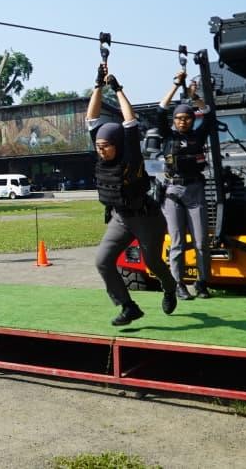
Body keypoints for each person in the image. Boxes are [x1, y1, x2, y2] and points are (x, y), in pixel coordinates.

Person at [87, 65, 178, 326]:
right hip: (120, 217)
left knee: (153, 264)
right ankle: (128, 307)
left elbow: (130, 121)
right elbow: (91, 119)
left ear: (117, 145)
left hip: (146, 217)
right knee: (103, 262)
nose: (101, 151)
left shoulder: (130, 154)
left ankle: (169, 286)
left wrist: (117, 90)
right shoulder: (102, 148)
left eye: (105, 147)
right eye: (98, 147)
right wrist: (97, 86)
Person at [155, 73, 214, 300]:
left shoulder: (198, 136)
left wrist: (194, 97)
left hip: (195, 192)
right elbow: (161, 110)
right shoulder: (167, 136)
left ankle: (202, 283)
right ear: (174, 120)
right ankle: (178, 284)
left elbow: (208, 115)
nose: (183, 121)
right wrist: (175, 85)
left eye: (187, 118)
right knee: (177, 242)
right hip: (173, 192)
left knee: (201, 242)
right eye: (179, 118)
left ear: (192, 119)